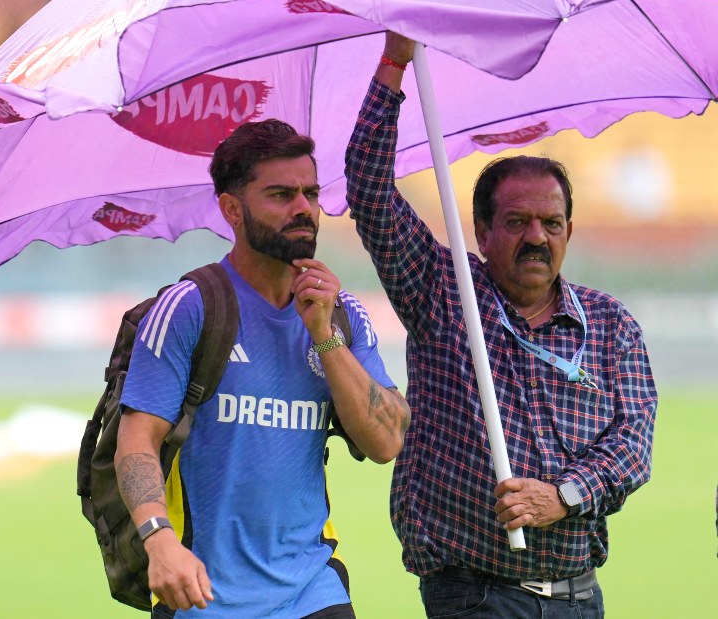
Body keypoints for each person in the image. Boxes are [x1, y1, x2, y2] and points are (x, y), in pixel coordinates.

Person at [344, 33, 657, 617]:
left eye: (551, 222)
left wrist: (563, 496)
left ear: (569, 230)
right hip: (474, 594)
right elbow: (368, 188)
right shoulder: (442, 292)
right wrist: (394, 63)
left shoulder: (611, 326)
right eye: (517, 221)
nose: (537, 236)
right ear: (482, 233)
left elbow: (634, 446)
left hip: (578, 595)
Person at [115, 119, 411, 618]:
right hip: (202, 595)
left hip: (313, 590)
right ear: (232, 209)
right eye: (280, 194)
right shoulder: (191, 307)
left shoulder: (342, 313)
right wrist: (158, 541)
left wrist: (324, 335)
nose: (303, 208)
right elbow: (136, 441)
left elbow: (387, 443)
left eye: (310, 193)